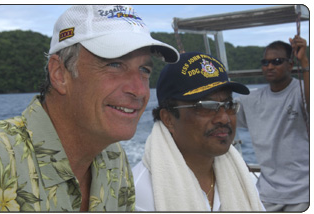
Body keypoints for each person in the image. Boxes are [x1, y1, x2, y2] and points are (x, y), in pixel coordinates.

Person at [0, 5, 179, 212]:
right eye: (114, 65)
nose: (139, 90)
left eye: (144, 70)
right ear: (59, 74)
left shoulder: (114, 158)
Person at [132, 52, 265, 211]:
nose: (224, 118)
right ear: (169, 119)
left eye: (229, 105)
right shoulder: (139, 194)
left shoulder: (242, 178)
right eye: (206, 106)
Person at [236, 35, 309, 212]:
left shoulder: (301, 92)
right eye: (265, 62)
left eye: (276, 61)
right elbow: (222, 113)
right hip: (266, 194)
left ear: (291, 65)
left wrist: (305, 63)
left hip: (304, 193)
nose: (269, 66)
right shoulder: (252, 99)